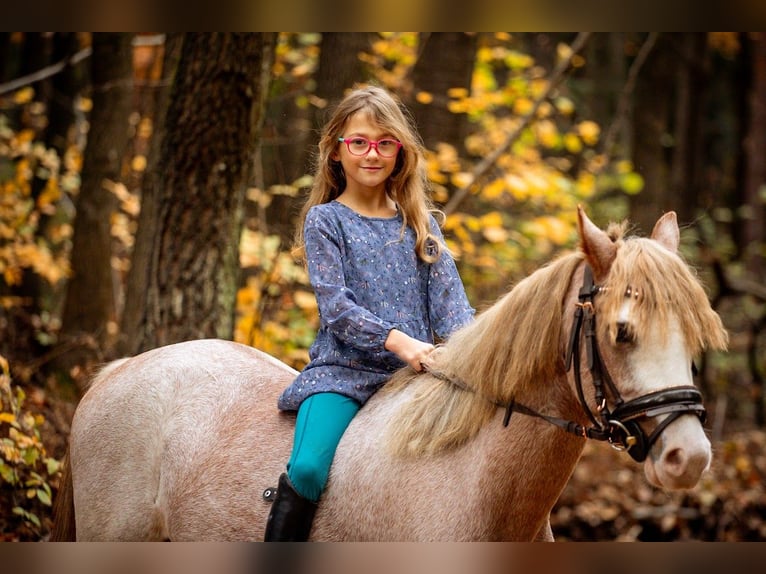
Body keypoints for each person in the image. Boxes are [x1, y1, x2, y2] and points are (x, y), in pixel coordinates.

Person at [263, 85, 474, 541]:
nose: (371, 154)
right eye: (358, 142)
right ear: (337, 151)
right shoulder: (325, 221)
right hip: (345, 372)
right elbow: (337, 308)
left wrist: (471, 355)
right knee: (309, 467)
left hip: (418, 378)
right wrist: (401, 342)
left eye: (384, 143)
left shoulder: (421, 226)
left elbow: (453, 309)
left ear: (401, 152)